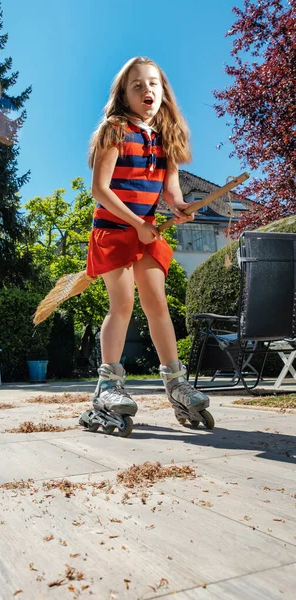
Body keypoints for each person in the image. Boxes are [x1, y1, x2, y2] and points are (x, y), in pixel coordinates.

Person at [84, 56, 210, 427]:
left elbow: (172, 193)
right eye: (137, 84)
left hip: (146, 229)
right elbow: (100, 190)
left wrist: (183, 207)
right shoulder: (115, 129)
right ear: (123, 94)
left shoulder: (167, 139)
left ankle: (175, 382)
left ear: (164, 91)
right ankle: (108, 383)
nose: (147, 90)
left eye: (153, 83)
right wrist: (138, 222)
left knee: (157, 304)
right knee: (122, 304)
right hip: (115, 229)